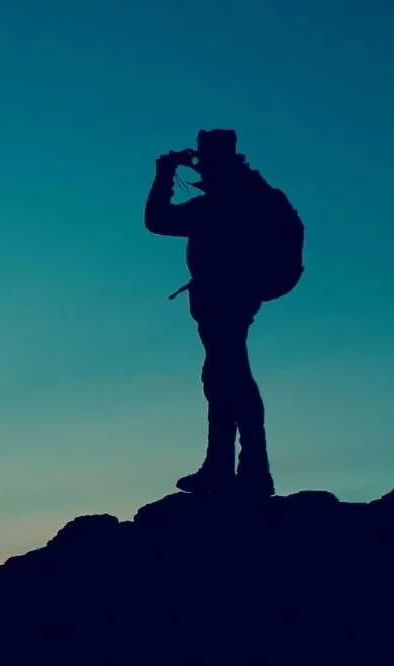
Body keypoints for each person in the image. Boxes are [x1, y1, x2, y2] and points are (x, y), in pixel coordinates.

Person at [144, 128, 277, 496]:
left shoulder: (225, 204)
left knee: (227, 379)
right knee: (224, 378)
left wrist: (166, 172)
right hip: (228, 300)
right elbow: (159, 222)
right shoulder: (243, 197)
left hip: (226, 301)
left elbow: (157, 220)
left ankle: (240, 469)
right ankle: (234, 467)